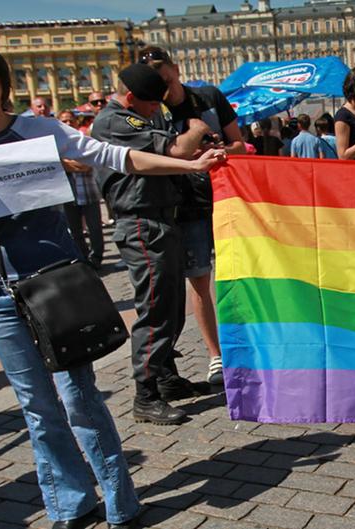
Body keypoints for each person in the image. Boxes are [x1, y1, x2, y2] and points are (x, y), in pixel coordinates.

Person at [0, 36, 225, 529]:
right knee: (37, 406)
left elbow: (116, 156)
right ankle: (71, 503)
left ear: (1, 82)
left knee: (80, 396)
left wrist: (190, 164)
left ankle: (120, 502)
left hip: (58, 282)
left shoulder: (40, 130)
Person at [91, 63, 216, 426]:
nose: (155, 110)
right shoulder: (115, 121)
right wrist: (196, 126)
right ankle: (145, 395)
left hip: (162, 219)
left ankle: (164, 377)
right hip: (142, 224)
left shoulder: (139, 117)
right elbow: (176, 150)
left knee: (172, 307)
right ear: (131, 98)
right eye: (150, 104)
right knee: (156, 309)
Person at [140, 45, 247, 385]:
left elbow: (239, 145)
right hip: (184, 207)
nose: (164, 88)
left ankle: (248, 345)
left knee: (239, 273)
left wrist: (213, 152)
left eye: (166, 79)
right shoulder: (151, 113)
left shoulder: (208, 97)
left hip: (226, 198)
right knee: (199, 280)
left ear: (176, 69)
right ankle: (216, 356)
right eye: (156, 83)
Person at [56, 111, 105, 270]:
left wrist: (64, 163)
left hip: (89, 193)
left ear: (76, 122)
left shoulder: (85, 140)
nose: (68, 124)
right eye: (64, 121)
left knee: (95, 229)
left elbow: (86, 166)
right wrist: (69, 164)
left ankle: (96, 258)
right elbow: (56, 165)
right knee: (75, 231)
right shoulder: (55, 145)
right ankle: (83, 259)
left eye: (71, 120)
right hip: (68, 196)